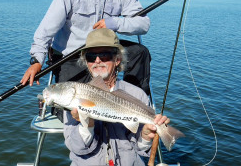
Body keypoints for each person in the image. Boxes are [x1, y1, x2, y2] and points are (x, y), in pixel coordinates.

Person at [20, 0, 151, 98]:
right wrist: (36, 61)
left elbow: (143, 24)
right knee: (69, 106)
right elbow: (46, 30)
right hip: (73, 55)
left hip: (105, 51)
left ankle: (136, 105)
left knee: (140, 53)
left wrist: (114, 23)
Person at [64, 28, 170, 166]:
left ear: (117, 60)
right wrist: (87, 125)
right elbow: (76, 148)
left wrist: (144, 136)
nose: (97, 61)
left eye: (105, 55)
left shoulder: (137, 94)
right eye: (91, 57)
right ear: (86, 62)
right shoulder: (75, 95)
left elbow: (142, 149)